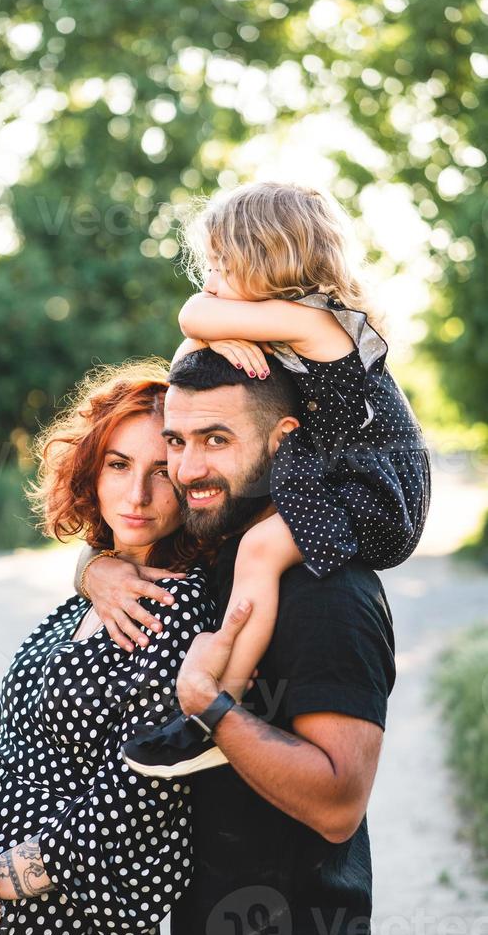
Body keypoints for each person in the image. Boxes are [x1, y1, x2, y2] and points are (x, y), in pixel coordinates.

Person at [0, 360, 225, 935]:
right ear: (92, 471)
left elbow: (142, 800)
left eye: (162, 473)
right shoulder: (84, 601)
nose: (137, 494)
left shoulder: (179, 611)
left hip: (55, 933)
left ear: (192, 483)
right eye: (119, 465)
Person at [80, 347, 397, 935]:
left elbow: (338, 806)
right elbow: (118, 527)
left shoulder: (327, 589)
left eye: (217, 439)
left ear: (284, 442)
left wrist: (209, 705)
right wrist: (94, 570)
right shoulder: (223, 547)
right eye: (178, 440)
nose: (187, 468)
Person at [124, 180, 429, 775]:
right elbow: (188, 357)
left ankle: (215, 711)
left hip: (377, 493)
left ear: (270, 261)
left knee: (261, 550)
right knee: (246, 544)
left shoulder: (323, 326)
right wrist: (217, 332)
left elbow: (191, 315)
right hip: (333, 478)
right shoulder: (281, 326)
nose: (208, 279)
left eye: (221, 264)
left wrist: (213, 324)